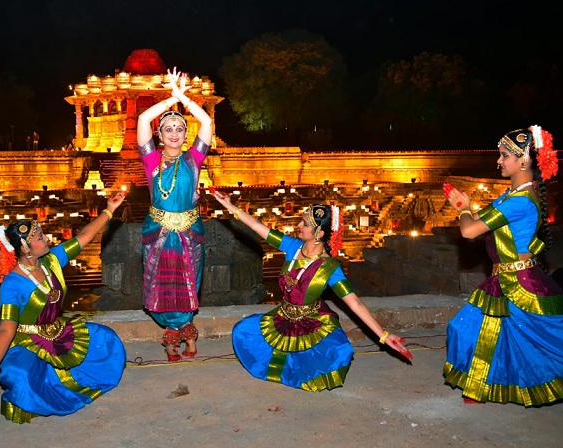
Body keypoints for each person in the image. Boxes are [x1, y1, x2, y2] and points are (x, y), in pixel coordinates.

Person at [212, 193, 413, 390]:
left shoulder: (330, 268)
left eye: (305, 224)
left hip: (312, 320)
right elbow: (257, 227)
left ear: (319, 233)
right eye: (302, 221)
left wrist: (384, 335)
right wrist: (230, 206)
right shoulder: (292, 246)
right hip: (283, 315)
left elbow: (355, 304)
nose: (299, 226)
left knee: (339, 353)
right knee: (243, 330)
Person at [0, 193, 127, 422]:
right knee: (19, 376)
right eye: (41, 238)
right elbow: (5, 329)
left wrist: (109, 209)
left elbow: (85, 235)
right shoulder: (13, 284)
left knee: (107, 340)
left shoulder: (52, 260)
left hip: (57, 330)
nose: (48, 240)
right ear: (25, 249)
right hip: (27, 341)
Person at [444, 125, 563, 406]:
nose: (498, 161)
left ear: (524, 160)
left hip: (520, 282)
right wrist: (468, 208)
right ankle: (481, 385)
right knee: (478, 332)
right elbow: (480, 219)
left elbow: (469, 231)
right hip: (504, 278)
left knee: (533, 344)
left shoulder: (520, 201)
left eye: (504, 156)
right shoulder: (512, 196)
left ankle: (482, 387)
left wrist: (463, 208)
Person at [137, 67, 212, 362]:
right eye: (168, 129)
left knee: (188, 284)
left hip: (189, 233)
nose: (175, 133)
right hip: (158, 232)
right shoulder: (151, 160)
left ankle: (187, 332)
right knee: (163, 287)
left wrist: (184, 99)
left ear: (186, 135)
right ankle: (171, 340)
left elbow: (205, 120)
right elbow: (143, 118)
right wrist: (170, 101)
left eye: (180, 129)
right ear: (160, 134)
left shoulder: (194, 158)